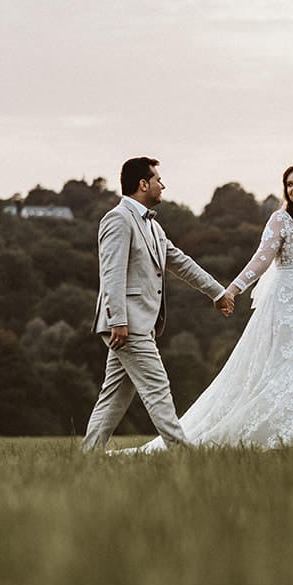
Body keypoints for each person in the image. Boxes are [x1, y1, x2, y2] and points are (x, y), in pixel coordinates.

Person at [132, 164, 293, 450]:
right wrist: (231, 290)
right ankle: (278, 435)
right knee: (286, 371)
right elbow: (261, 260)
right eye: (290, 184)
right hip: (289, 304)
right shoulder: (280, 219)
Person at [81, 156, 231, 452]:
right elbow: (110, 273)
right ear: (143, 184)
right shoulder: (117, 219)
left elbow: (180, 263)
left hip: (141, 324)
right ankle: (182, 453)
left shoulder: (153, 226)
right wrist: (117, 320)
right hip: (128, 323)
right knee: (157, 389)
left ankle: (88, 455)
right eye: (158, 180)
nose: (163, 185)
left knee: (115, 395)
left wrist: (217, 291)